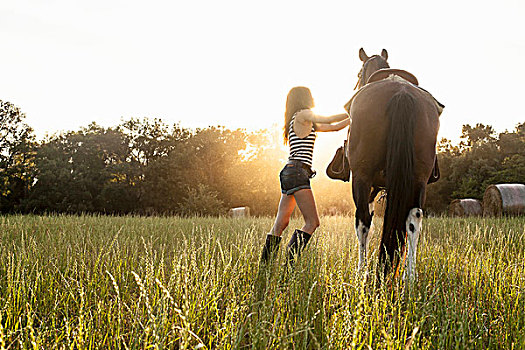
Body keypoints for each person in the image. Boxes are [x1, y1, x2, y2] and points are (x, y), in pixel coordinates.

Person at [260, 86, 351, 266]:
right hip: (297, 173)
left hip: (289, 171)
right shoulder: (303, 114)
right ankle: (289, 266)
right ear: (304, 98)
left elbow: (334, 127)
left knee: (280, 224)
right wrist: (352, 108)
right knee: (312, 222)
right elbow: (330, 118)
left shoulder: (299, 120)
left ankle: (265, 268)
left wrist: (353, 117)